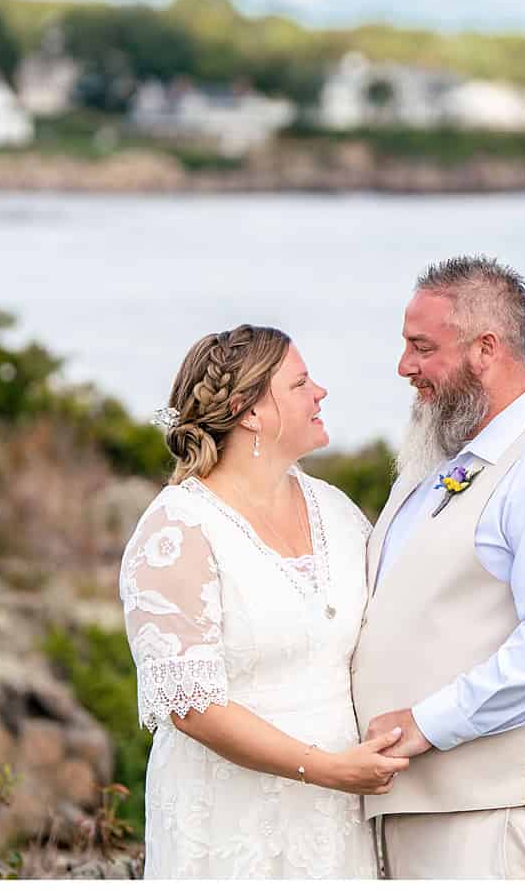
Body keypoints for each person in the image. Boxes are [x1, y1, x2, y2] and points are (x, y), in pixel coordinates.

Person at [351, 256, 525, 879]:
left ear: (486, 348)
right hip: (413, 805)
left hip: (500, 812)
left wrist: (426, 725)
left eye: (422, 347)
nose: (404, 367)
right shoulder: (433, 467)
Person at [119, 324, 405, 878]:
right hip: (233, 818)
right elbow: (193, 708)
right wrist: (325, 768)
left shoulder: (337, 511)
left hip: (337, 814)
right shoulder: (178, 529)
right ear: (248, 410)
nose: (320, 392)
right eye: (301, 383)